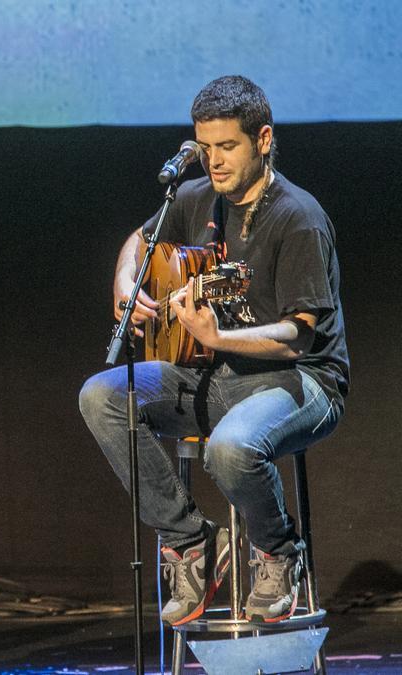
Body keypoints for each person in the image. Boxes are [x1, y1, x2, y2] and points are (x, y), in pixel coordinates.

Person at [78, 75, 348, 626]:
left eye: (228, 147)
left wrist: (218, 338)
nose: (215, 162)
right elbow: (141, 239)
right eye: (205, 149)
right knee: (101, 396)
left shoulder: (298, 217)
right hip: (214, 376)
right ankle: (192, 541)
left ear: (264, 139)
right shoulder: (197, 196)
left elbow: (299, 337)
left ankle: (277, 550)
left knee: (227, 449)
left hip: (302, 383)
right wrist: (126, 279)